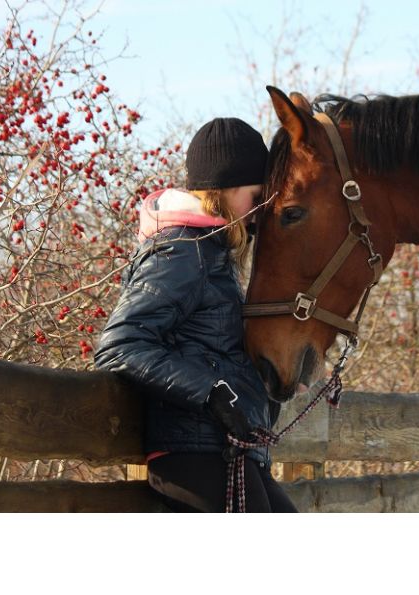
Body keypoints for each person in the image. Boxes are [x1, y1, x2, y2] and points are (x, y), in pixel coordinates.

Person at [94, 117, 297, 513]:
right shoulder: (184, 250)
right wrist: (212, 393)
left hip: (225, 450)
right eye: (256, 198)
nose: (258, 214)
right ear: (225, 188)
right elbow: (121, 344)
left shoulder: (213, 253)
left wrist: (273, 380)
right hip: (193, 450)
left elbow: (213, 348)